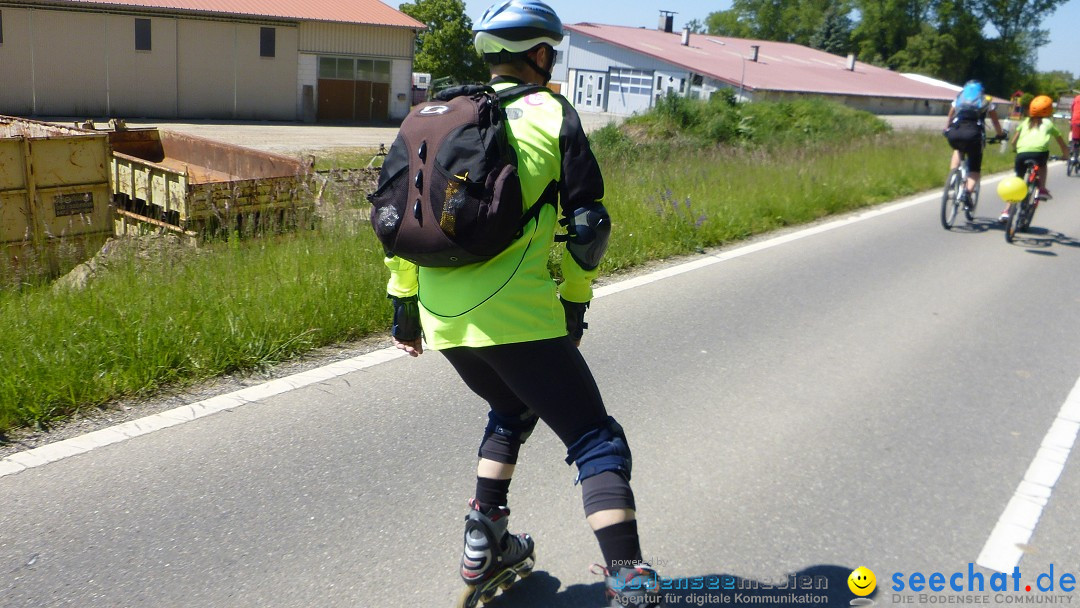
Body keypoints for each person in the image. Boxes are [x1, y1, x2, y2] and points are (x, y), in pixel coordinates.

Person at [382, 2, 664, 606]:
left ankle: (484, 543)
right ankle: (630, 580)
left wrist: (404, 302)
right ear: (540, 53)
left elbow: (403, 217)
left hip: (442, 317)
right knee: (596, 440)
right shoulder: (552, 113)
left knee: (511, 409)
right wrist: (573, 307)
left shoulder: (431, 117)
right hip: (518, 314)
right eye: (551, 53)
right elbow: (587, 228)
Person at [1000, 94, 1069, 221]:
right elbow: (1062, 143)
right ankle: (1041, 188)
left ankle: (1006, 211)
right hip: (1039, 154)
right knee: (1042, 166)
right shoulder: (1048, 123)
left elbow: (1013, 141)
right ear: (1049, 110)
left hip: (1021, 154)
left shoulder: (1025, 122)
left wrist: (1016, 149)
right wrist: (1065, 155)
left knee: (1018, 182)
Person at [943, 80, 1006, 209]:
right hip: (973, 134)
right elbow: (995, 122)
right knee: (975, 169)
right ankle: (967, 192)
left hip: (954, 132)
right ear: (981, 91)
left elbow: (950, 117)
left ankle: (953, 176)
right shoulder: (986, 100)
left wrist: (946, 129)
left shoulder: (959, 98)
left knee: (957, 149)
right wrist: (1000, 134)